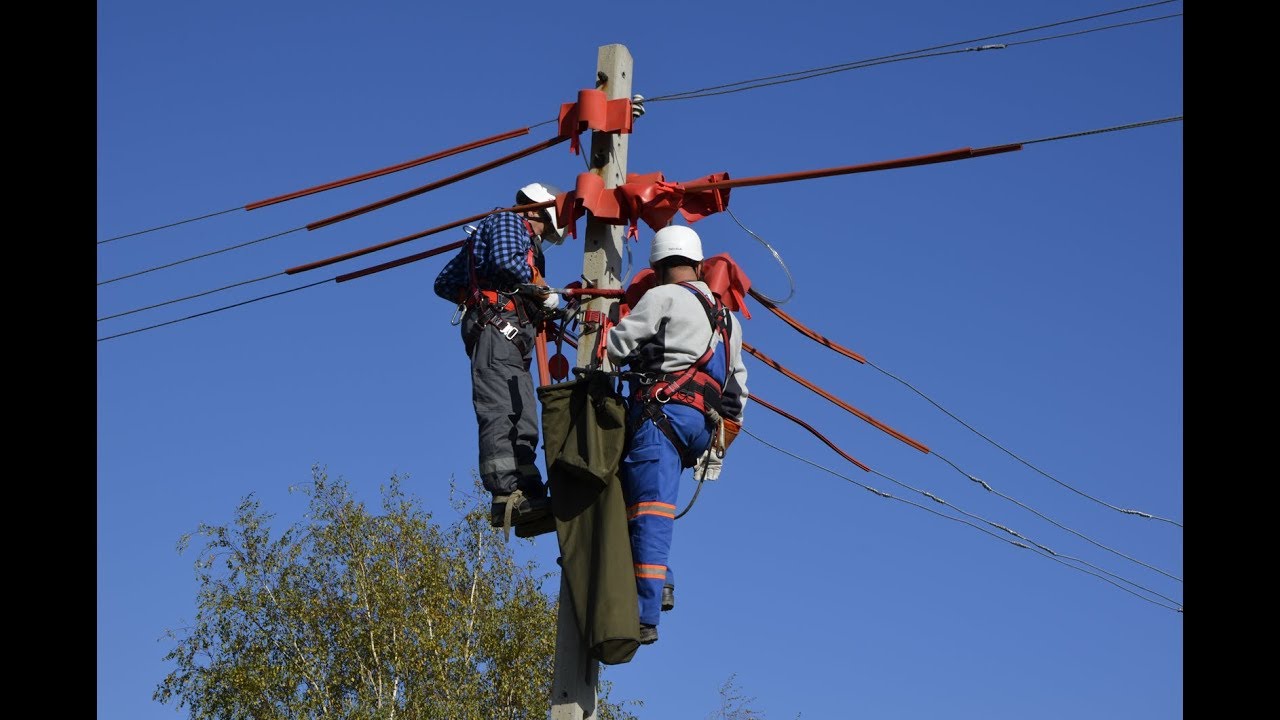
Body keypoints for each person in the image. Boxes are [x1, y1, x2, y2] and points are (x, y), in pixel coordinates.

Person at [605, 224, 749, 644]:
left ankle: (645, 616)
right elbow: (737, 390)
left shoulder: (661, 296)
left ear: (658, 266)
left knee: (648, 511)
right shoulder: (729, 321)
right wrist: (717, 444)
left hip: (661, 414)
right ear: (697, 264)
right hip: (700, 427)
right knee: (648, 502)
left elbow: (617, 347)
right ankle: (661, 581)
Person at [434, 181, 565, 537]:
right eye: (546, 227)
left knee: (523, 417)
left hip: (509, 336)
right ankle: (506, 494)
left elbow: (446, 281)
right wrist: (536, 288)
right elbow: (507, 263)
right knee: (500, 411)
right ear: (538, 210)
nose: (543, 236)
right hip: (497, 330)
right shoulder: (510, 221)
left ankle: (529, 489)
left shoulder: (498, 233)